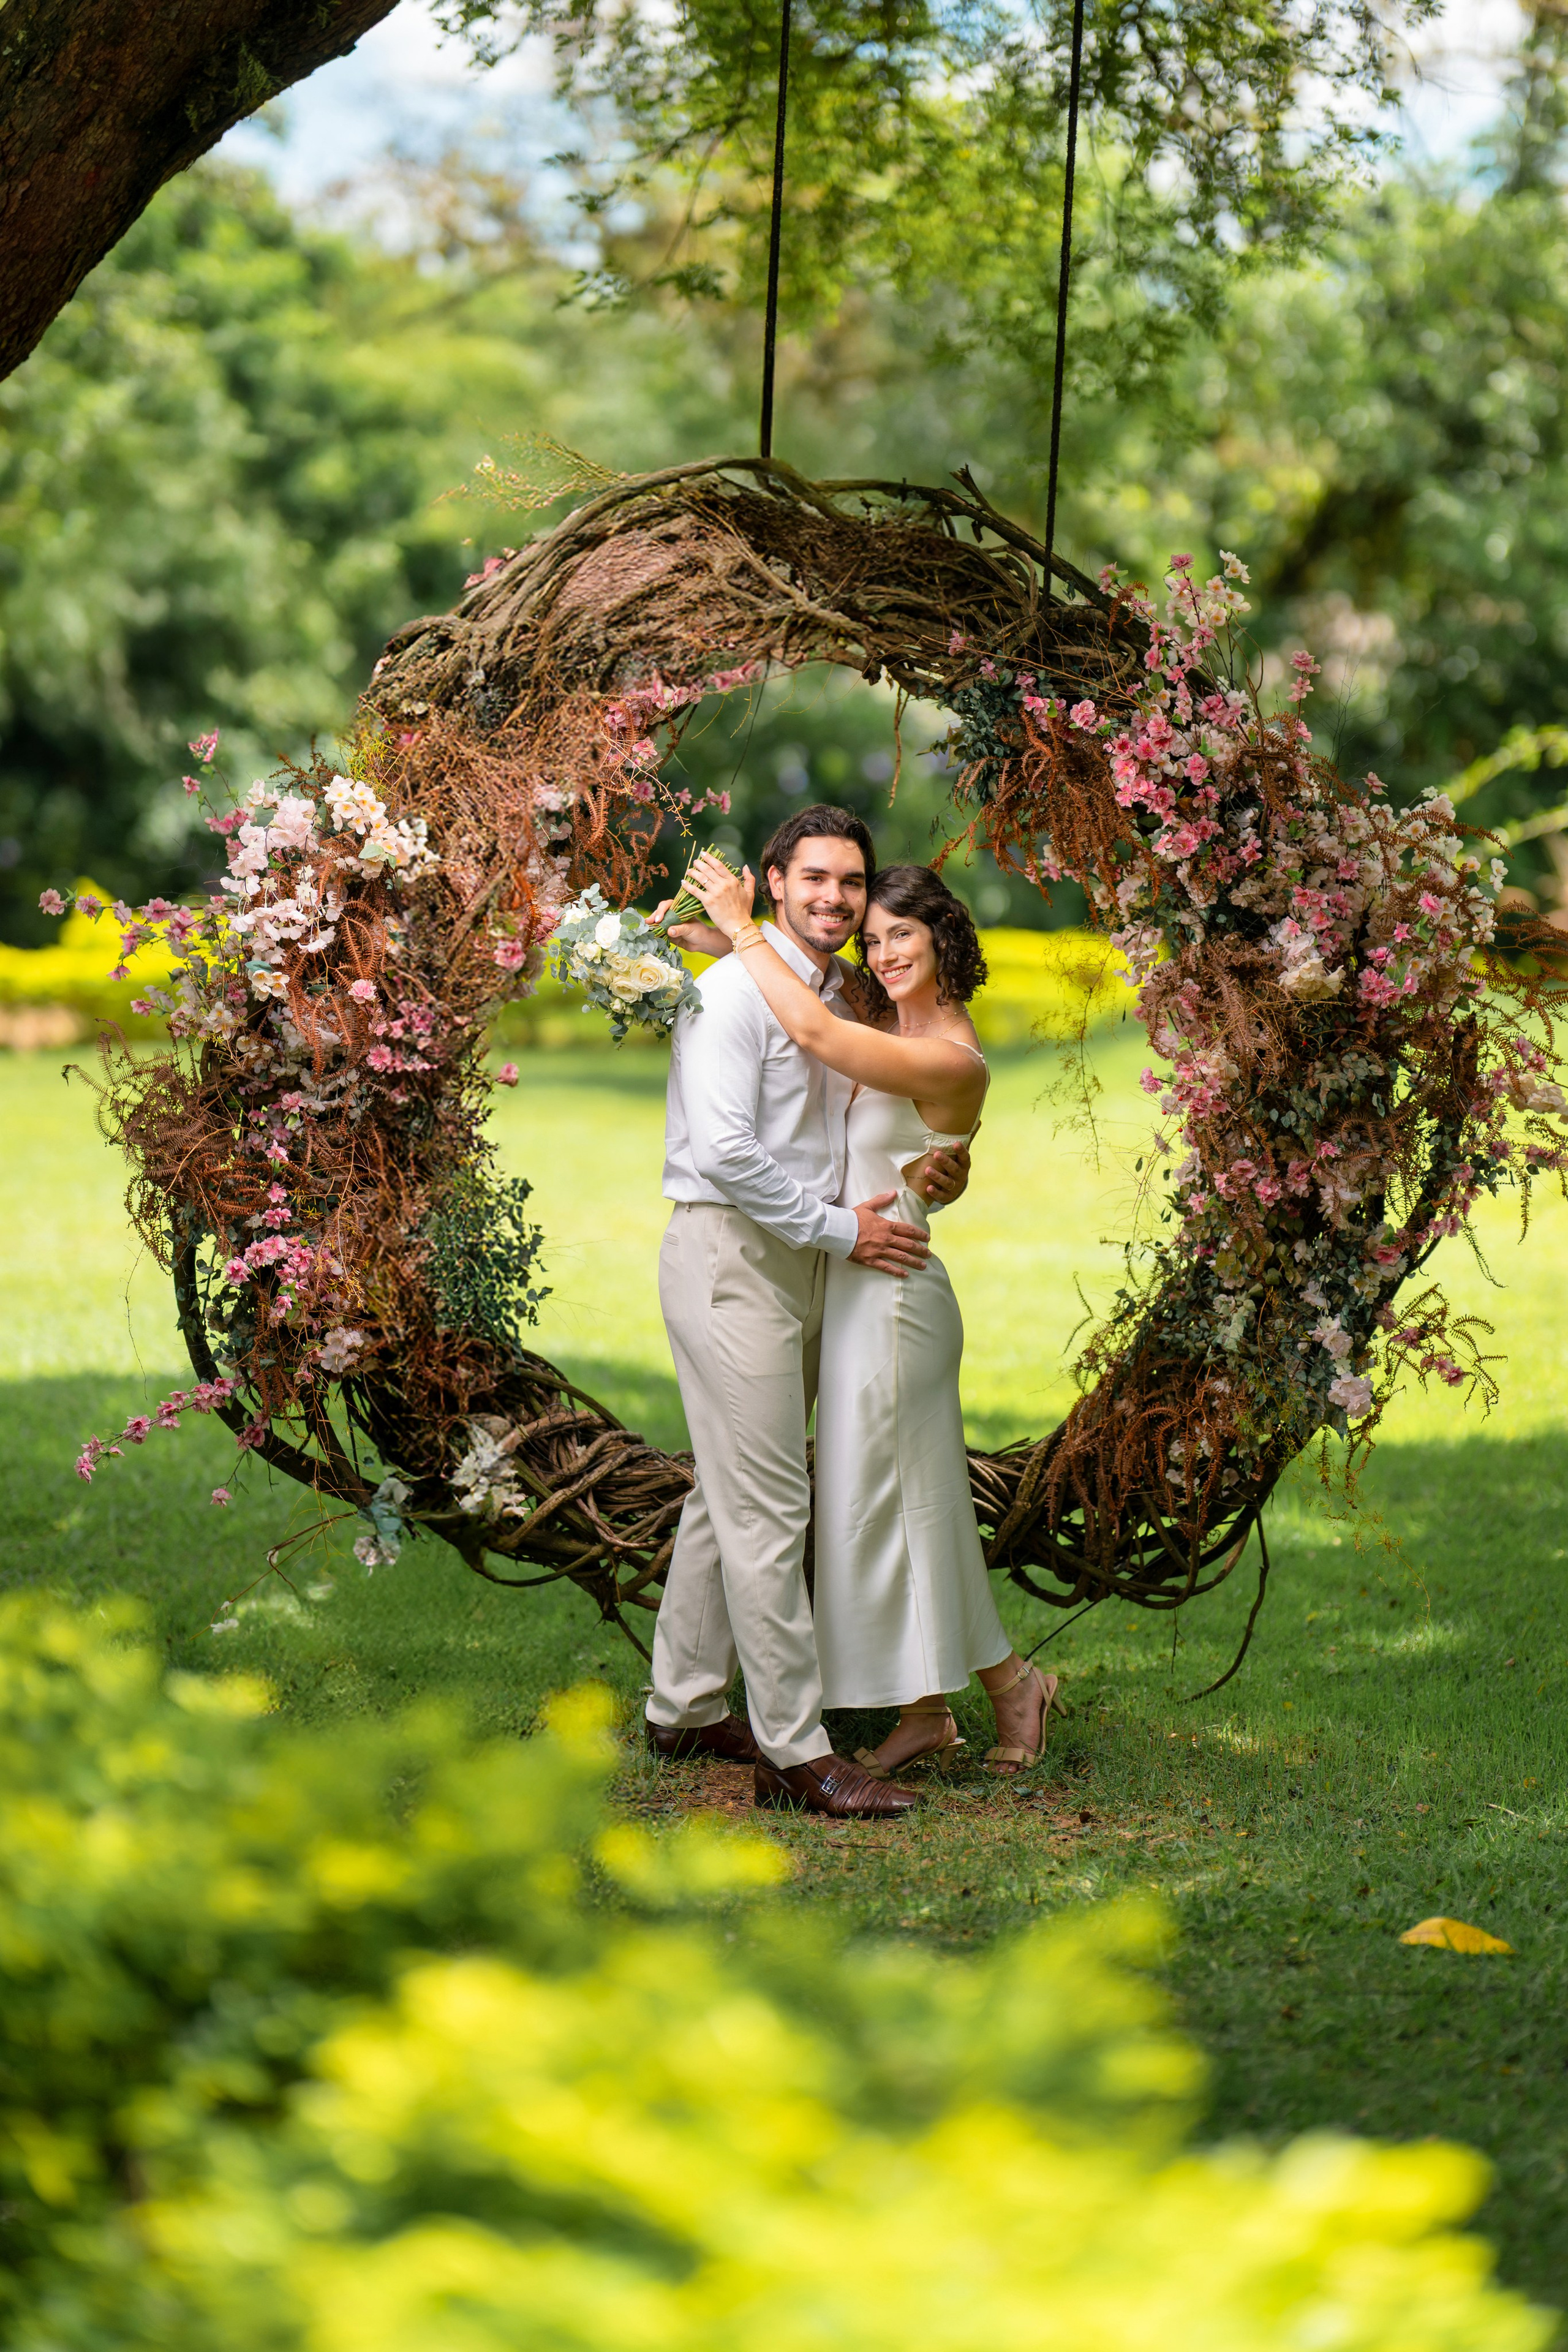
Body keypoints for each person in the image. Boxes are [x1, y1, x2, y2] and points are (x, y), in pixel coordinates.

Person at [685, 848, 1060, 1779]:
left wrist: (738, 925)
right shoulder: (882, 1008)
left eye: (904, 935)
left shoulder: (947, 1054)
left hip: (894, 1293)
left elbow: (813, 1030)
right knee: (885, 1503)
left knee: (907, 1506)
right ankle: (927, 1711)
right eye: (876, 937)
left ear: (943, 937)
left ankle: (1013, 1686)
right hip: (848, 1278)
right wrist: (700, 938)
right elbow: (799, 979)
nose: (885, 953)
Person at [644, 806, 973, 1820]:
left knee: (731, 1492)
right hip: (734, 1257)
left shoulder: (831, 991)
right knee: (770, 1504)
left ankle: (683, 1707)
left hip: (812, 1261)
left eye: (851, 883)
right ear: (773, 880)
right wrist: (842, 1230)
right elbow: (726, 1153)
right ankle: (794, 1751)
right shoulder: (732, 993)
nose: (835, 898)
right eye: (815, 878)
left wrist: (936, 1171)